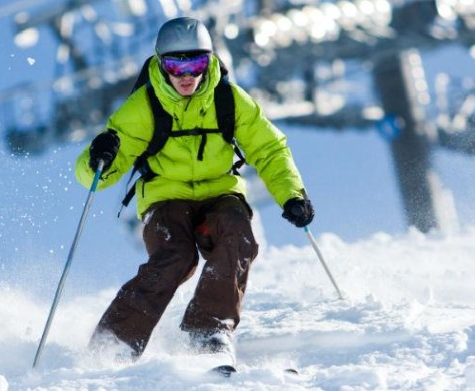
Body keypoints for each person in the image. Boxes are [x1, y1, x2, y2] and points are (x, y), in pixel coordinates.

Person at [74, 16, 315, 361]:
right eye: (175, 65)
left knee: (237, 235)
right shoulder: (144, 106)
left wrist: (292, 194)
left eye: (197, 64)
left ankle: (208, 330)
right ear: (161, 64)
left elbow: (269, 148)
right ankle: (114, 343)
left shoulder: (228, 99)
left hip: (220, 193)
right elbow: (94, 175)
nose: (186, 76)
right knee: (176, 255)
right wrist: (101, 155)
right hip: (165, 197)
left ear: (209, 61)